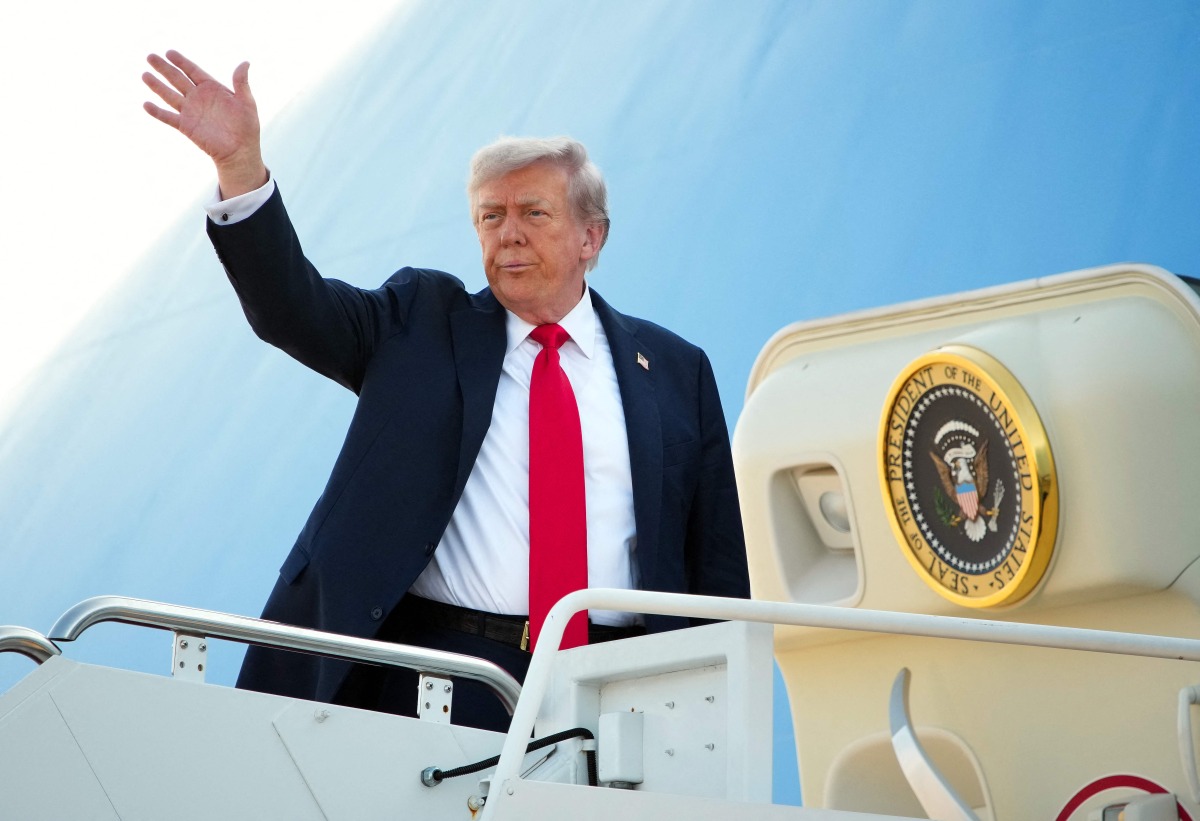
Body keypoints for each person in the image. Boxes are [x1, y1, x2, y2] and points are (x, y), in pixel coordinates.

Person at [142, 50, 749, 731]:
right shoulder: (421, 322)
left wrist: (713, 715)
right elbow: (293, 307)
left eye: (533, 213)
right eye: (490, 217)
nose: (508, 233)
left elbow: (718, 569)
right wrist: (241, 169)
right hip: (445, 676)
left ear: (590, 237)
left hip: (618, 689)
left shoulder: (673, 368)